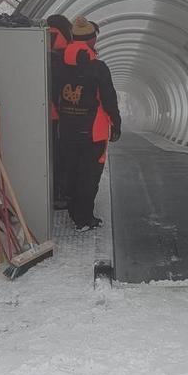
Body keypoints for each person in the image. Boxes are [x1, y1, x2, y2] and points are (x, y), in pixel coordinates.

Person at [52, 16, 121, 230]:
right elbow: (109, 99)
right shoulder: (98, 68)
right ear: (91, 40)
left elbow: (55, 96)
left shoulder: (58, 64)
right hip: (93, 132)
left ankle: (75, 213)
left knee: (71, 171)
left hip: (67, 130)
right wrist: (116, 125)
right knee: (89, 176)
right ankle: (84, 219)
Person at [46, 14, 73, 208]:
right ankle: (59, 194)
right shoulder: (66, 52)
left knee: (49, 155)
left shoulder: (42, 45)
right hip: (60, 114)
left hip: (42, 112)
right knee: (61, 155)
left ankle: (52, 193)